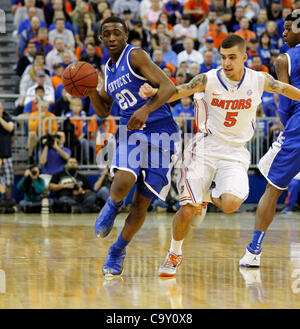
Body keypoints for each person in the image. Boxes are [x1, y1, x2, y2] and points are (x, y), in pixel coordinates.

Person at [139, 33, 300, 276]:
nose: (226, 63)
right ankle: (174, 253)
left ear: (244, 57)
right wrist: (154, 93)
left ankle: (205, 196)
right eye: (223, 57)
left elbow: (285, 89)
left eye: (232, 58)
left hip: (235, 152)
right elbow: (178, 91)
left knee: (231, 204)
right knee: (186, 210)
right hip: (204, 148)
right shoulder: (208, 79)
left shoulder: (259, 79)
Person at [85, 16, 179, 277]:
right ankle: (111, 207)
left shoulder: (135, 56)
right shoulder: (108, 67)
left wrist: (146, 111)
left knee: (140, 205)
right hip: (132, 131)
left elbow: (168, 87)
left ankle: (117, 250)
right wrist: (91, 89)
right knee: (124, 178)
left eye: (117, 33)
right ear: (101, 39)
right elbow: (104, 110)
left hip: (162, 133)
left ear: (125, 35)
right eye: (107, 34)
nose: (112, 38)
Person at [239, 12, 300, 267]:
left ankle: (254, 251)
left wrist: (287, 127)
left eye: (287, 29)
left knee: (272, 190)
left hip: (297, 129)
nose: (283, 34)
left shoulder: (284, 59)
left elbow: (285, 103)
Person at [0, 102, 15, 200]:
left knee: (9, 181)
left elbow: (10, 128)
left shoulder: (8, 118)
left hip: (6, 155)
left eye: (0, 108)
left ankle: (8, 201)